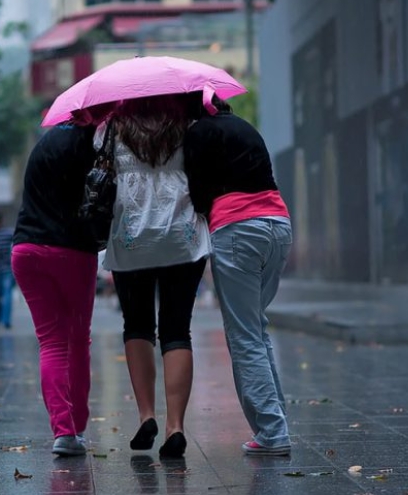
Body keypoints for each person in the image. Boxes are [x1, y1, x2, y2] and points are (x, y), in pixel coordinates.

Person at [101, 94, 211, 459]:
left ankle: (147, 414)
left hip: (132, 240)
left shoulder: (110, 129)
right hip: (181, 238)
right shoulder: (187, 128)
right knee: (178, 329)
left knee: (137, 326)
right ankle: (175, 425)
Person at [183, 96, 293, 456]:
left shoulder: (198, 133)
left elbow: (197, 193)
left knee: (244, 335)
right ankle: (275, 422)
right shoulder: (246, 127)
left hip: (238, 229)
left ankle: (273, 432)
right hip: (278, 224)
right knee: (256, 329)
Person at [11, 106, 111, 457]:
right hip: (71, 251)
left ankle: (62, 430)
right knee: (77, 340)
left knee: (51, 342)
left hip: (26, 250)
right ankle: (76, 428)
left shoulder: (45, 142)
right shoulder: (94, 148)